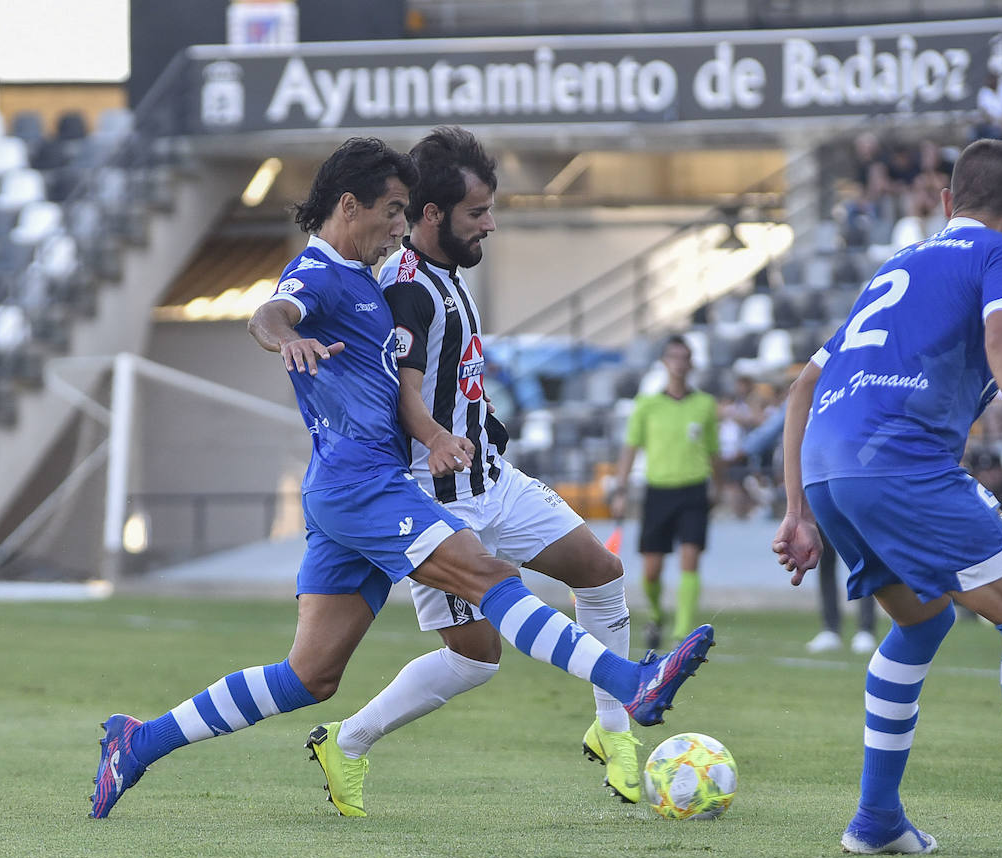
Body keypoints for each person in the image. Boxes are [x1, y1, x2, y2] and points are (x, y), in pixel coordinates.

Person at [88, 138, 714, 819]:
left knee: (311, 675)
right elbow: (270, 313)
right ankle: (633, 682)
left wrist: (452, 426)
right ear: (348, 206)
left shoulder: (367, 277)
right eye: (391, 211)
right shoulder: (321, 273)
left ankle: (138, 740)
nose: (398, 225)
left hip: (342, 488)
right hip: (366, 485)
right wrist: (285, 339)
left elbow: (403, 383)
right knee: (491, 579)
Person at [299, 126, 643, 816]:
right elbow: (402, 386)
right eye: (476, 214)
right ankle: (348, 740)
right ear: (431, 216)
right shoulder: (405, 290)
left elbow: (457, 375)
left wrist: (481, 423)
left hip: (494, 479)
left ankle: (615, 733)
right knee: (476, 658)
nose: (489, 225)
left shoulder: (447, 273)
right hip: (440, 502)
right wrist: (432, 435)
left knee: (601, 573)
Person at [772, 138, 1002, 858]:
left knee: (923, 621)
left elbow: (802, 386)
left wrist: (796, 510)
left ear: (944, 203)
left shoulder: (894, 266)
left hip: (825, 469)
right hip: (898, 463)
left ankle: (876, 819)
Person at [610, 336, 721, 650]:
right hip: (658, 490)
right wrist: (621, 489)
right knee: (651, 569)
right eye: (673, 356)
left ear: (691, 363)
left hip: (694, 489)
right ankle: (657, 614)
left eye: (684, 357)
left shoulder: (705, 405)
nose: (679, 363)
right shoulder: (647, 405)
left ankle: (682, 632)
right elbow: (630, 449)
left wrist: (719, 485)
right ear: (664, 362)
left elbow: (714, 451)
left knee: (690, 558)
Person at [805, 526, 878, 655]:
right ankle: (830, 629)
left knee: (862, 559)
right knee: (825, 559)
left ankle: (865, 629)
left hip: (854, 506)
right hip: (826, 506)